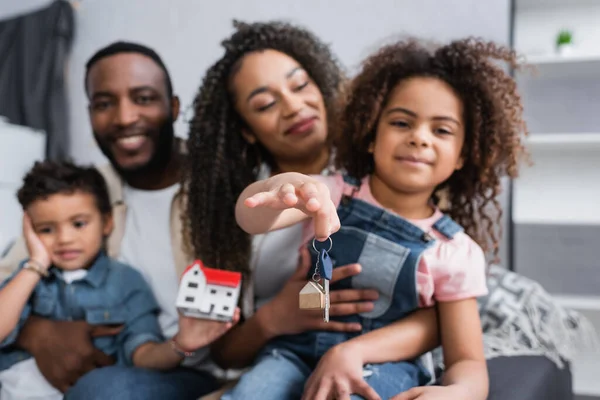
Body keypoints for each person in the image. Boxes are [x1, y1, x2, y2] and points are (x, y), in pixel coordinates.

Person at [233, 37, 527, 400]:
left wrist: (457, 393)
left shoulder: (455, 252)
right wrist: (281, 192)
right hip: (293, 352)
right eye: (402, 122)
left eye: (442, 130)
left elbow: (467, 361)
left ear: (463, 155)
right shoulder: (330, 193)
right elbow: (252, 218)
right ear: (372, 136)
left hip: (384, 367)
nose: (419, 138)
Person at [185, 21, 441, 400]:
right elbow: (221, 351)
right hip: (283, 353)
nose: (293, 106)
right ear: (246, 130)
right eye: (265, 104)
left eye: (300, 84)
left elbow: (444, 313)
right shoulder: (227, 204)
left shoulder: (390, 170)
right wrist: (274, 318)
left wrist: (352, 351)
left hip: (376, 351)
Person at [0, 42, 223, 400]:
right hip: (41, 376)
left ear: (174, 107)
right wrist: (36, 332)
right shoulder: (84, 190)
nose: (123, 117)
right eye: (104, 104)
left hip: (178, 369)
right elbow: (10, 275)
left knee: (105, 389)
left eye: (144, 98)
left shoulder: (217, 189)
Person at [0, 161, 239, 400]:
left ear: (106, 222)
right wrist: (36, 263)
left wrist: (181, 344)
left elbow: (143, 354)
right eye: (46, 229)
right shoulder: (30, 278)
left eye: (79, 224)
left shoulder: (125, 282)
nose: (65, 238)